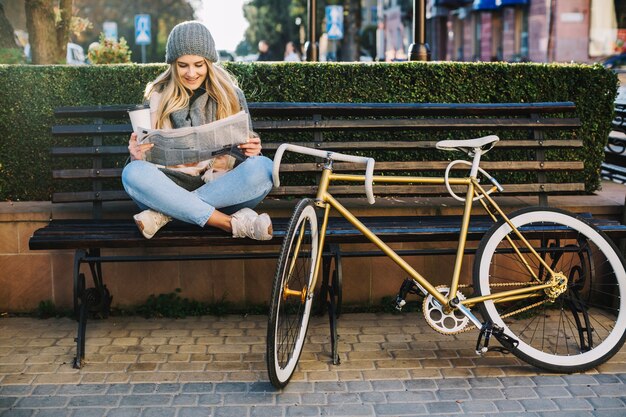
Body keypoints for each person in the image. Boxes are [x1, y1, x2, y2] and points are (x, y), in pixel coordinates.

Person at [122, 21, 274, 241]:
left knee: (264, 168)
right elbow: (145, 161)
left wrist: (251, 151)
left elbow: (245, 158)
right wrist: (136, 155)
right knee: (132, 174)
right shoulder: (157, 96)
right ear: (173, 64)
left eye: (198, 64)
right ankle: (230, 223)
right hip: (169, 186)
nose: (191, 73)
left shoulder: (232, 95)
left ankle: (164, 216)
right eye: (183, 65)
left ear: (209, 63)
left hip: (222, 188)